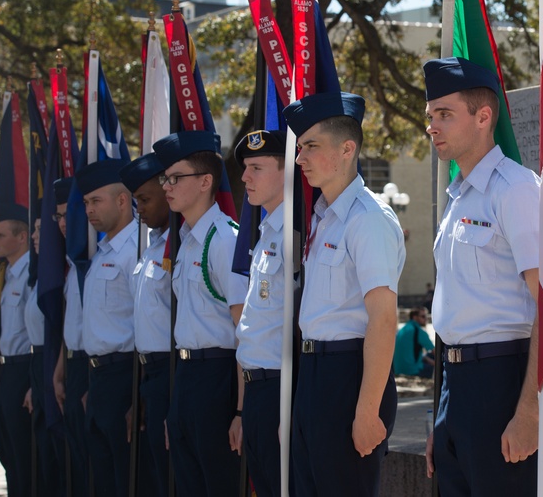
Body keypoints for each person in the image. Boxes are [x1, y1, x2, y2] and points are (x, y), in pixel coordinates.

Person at [422, 57, 540, 496]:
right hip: (457, 387)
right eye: (431, 116)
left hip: (503, 383)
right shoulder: (458, 198)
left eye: (445, 114)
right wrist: (444, 417)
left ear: (484, 116)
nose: (432, 125)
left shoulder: (517, 190)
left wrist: (530, 412)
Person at [282, 91, 405, 497]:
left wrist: (367, 411)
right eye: (300, 148)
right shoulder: (322, 217)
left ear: (347, 148)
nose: (300, 158)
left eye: (311, 146)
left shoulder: (367, 219)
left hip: (349, 375)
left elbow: (384, 320)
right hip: (314, 375)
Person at [153, 131, 245, 497]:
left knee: (220, 483)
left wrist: (240, 411)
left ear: (206, 181)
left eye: (176, 178)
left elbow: (244, 330)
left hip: (218, 378)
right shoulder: (186, 240)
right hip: (187, 377)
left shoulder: (225, 240)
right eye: (165, 179)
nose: (167, 187)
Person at [234, 129, 296, 497]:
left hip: (281, 389)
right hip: (258, 390)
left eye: (256, 167)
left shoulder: (294, 232)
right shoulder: (266, 233)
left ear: (286, 171)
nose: (245, 177)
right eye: (245, 167)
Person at [76, 158, 138, 497]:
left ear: (122, 200)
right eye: (86, 202)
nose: (88, 209)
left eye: (95, 201)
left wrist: (134, 395)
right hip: (98, 379)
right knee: (101, 479)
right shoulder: (101, 253)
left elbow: (145, 324)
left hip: (125, 375)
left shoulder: (138, 250)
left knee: (126, 476)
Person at [119, 153, 171, 497]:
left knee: (172, 475)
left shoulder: (179, 245)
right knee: (153, 474)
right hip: (148, 373)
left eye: (146, 199)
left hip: (173, 371)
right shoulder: (151, 245)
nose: (140, 208)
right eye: (136, 201)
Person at [0, 202, 33, 496]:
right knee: (7, 451)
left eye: (0, 235)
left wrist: (33, 382)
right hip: (7, 369)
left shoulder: (33, 273)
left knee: (24, 452)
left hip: (25, 368)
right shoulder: (6, 276)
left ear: (22, 237)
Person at [52, 177, 90, 497]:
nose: (63, 223)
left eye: (69, 213)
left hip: (96, 369)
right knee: (77, 458)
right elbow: (72, 324)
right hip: (74, 365)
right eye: (59, 216)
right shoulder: (69, 261)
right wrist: (60, 369)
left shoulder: (95, 258)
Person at [23, 217, 65, 497]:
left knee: (60, 450)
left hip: (56, 359)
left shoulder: (62, 270)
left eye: (41, 229)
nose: (36, 236)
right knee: (42, 449)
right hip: (38, 362)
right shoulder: (38, 274)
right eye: (35, 230)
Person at [393, 307, 435, 378]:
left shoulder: (404, 328)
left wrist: (429, 360)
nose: (426, 319)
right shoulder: (418, 331)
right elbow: (435, 351)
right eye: (423, 316)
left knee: (428, 356)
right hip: (412, 370)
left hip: (398, 369)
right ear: (415, 317)